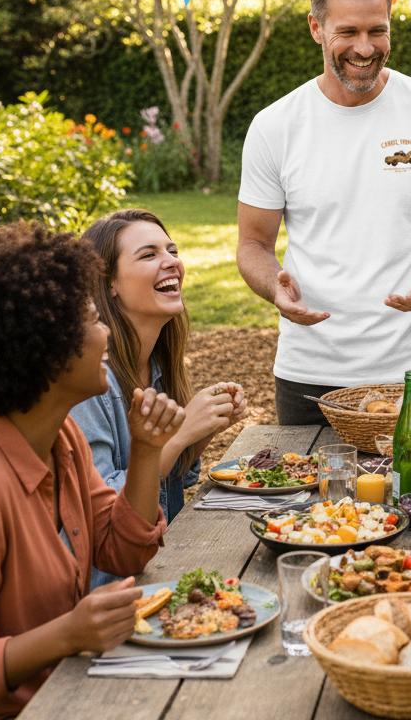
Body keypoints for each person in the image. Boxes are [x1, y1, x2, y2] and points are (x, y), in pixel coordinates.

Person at [0, 223, 183, 719]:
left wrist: (148, 450)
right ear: (46, 350)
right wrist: (67, 633)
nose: (106, 330)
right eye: (92, 321)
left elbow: (122, 548)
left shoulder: (60, 438)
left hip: (56, 696)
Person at [236, 0, 411, 424]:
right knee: (309, 497)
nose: (366, 47)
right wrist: (275, 286)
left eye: (378, 30)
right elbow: (253, 243)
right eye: (347, 33)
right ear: (316, 28)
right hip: (309, 368)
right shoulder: (275, 126)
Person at [71, 209, 247, 584]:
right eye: (149, 255)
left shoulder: (156, 368)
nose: (172, 262)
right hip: (107, 592)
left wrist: (202, 432)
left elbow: (168, 485)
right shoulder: (88, 385)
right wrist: (181, 434)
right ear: (109, 283)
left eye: (172, 250)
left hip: (158, 569)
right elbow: (101, 507)